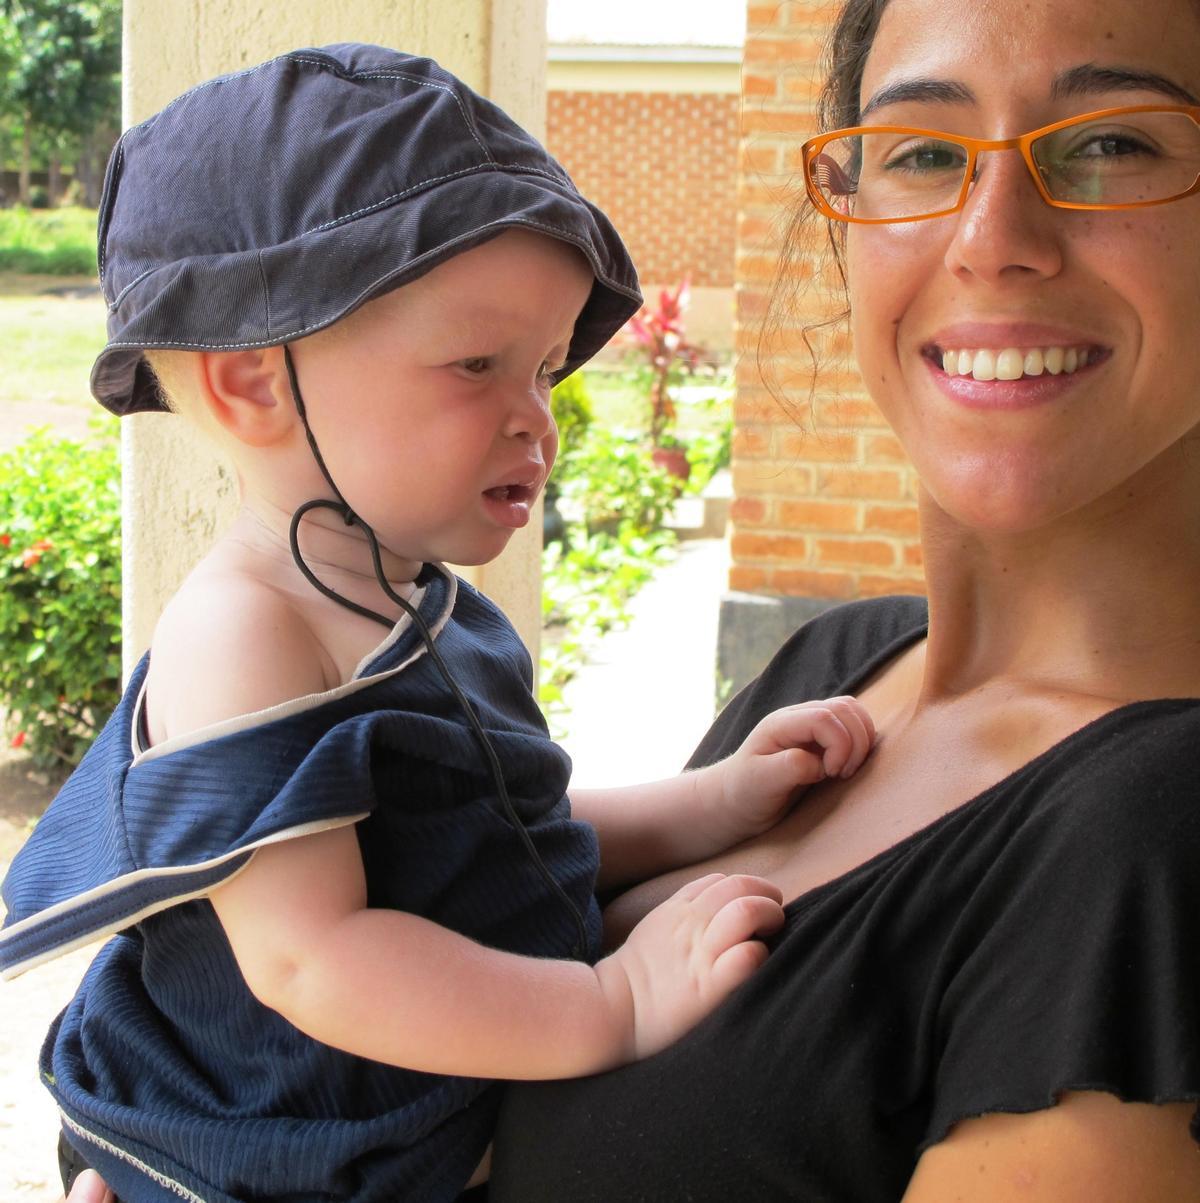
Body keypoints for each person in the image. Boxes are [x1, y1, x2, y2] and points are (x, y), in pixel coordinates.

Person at [62, 0, 1200, 1196]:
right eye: (921, 152)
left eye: (1114, 142)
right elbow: (442, 889)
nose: (991, 235)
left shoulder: (1148, 834)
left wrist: (623, 988)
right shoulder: (841, 672)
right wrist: (703, 828)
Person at [0, 44, 881, 1203]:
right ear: (253, 383)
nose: (539, 423)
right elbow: (318, 959)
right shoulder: (249, 636)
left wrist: (714, 802)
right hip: (269, 1157)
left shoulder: (402, 591)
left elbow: (496, 842)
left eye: (549, 370)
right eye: (478, 365)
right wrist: (609, 1005)